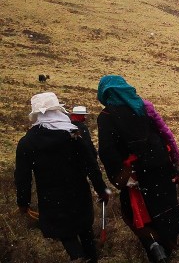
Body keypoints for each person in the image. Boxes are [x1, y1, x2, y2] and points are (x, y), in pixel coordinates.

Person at [96, 75, 179, 263]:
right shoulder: (144, 107)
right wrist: (176, 160)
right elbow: (165, 133)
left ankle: (154, 247)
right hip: (162, 166)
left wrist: (120, 176)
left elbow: (107, 150)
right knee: (166, 206)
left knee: (137, 213)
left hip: (137, 172)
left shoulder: (107, 116)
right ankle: (168, 246)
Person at [15, 92, 110, 263]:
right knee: (86, 233)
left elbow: (22, 176)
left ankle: (78, 257)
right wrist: (101, 189)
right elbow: (91, 164)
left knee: (66, 235)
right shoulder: (74, 133)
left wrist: (23, 202)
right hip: (79, 194)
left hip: (52, 200)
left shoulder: (27, 142)